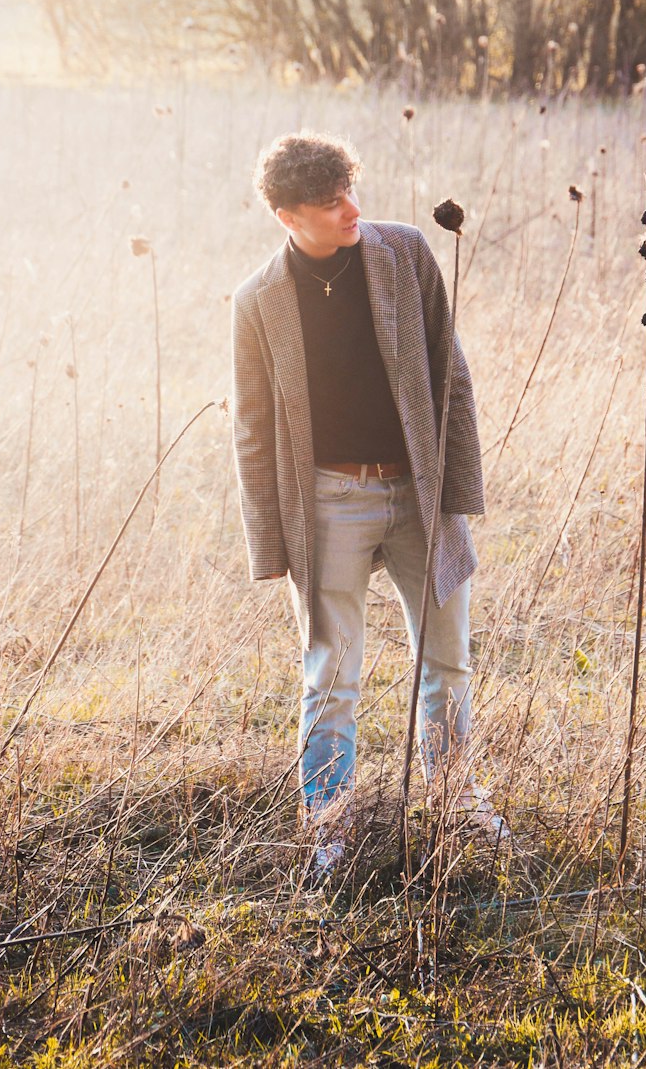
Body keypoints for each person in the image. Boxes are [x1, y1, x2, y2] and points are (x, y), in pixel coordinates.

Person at [231, 131, 505, 879]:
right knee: (331, 673)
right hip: (326, 503)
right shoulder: (257, 301)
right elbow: (252, 431)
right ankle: (328, 828)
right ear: (289, 215)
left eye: (351, 189)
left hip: (418, 492)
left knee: (448, 661)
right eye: (329, 202)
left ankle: (456, 802)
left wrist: (454, 495)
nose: (352, 208)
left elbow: (452, 374)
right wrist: (273, 545)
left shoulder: (404, 254)